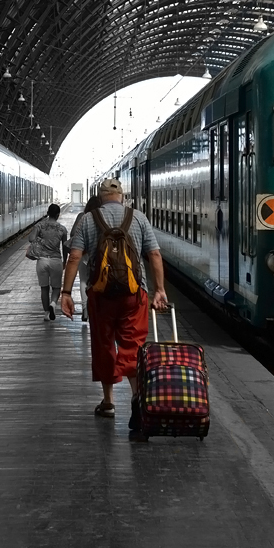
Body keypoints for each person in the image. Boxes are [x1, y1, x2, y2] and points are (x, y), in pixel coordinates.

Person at [60, 177, 168, 441]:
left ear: (100, 196)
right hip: (134, 295)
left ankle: (108, 402)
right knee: (132, 346)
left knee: (104, 345)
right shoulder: (139, 218)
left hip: (101, 296)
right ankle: (137, 397)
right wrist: (159, 290)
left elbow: (74, 256)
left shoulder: (88, 219)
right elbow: (154, 255)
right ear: (122, 196)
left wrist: (65, 293)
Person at [28, 204, 68, 320]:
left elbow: (31, 239)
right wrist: (65, 260)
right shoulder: (62, 229)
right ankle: (53, 304)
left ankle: (46, 313)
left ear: (48, 213)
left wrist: (40, 240)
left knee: (44, 288)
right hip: (56, 261)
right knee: (56, 287)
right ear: (57, 215)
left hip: (42, 261)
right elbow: (65, 247)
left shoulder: (40, 226)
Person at [67, 194, 104, 322]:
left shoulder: (82, 216)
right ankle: (98, 308)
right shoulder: (103, 216)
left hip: (83, 255)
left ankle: (85, 310)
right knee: (98, 279)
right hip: (99, 255)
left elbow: (72, 233)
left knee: (83, 281)